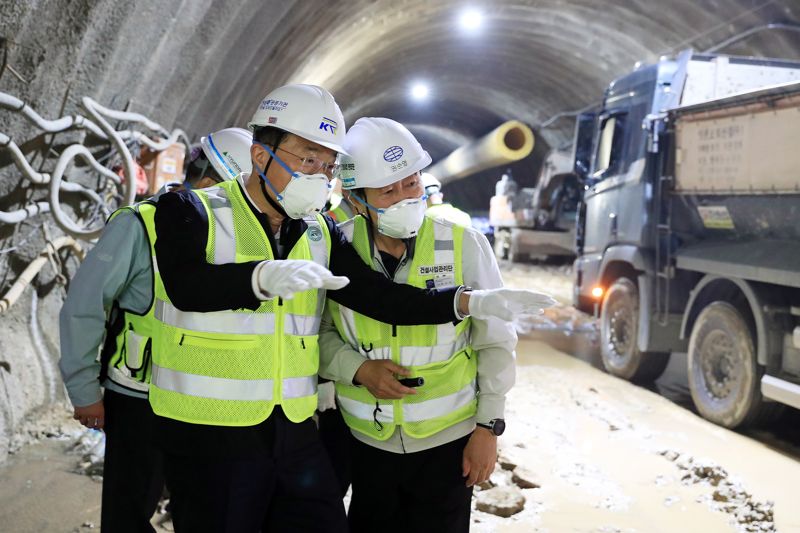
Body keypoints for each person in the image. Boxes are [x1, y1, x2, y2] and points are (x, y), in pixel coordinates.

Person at [148, 84, 550, 532]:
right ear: (261, 156)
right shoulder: (189, 209)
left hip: (293, 428)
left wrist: (469, 300)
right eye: (308, 161)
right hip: (210, 431)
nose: (319, 176)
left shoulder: (318, 231)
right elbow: (186, 286)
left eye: (327, 166)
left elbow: (382, 298)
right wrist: (258, 279)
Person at [320, 117, 554, 533]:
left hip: (448, 442)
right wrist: (357, 369)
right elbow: (318, 333)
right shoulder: (336, 249)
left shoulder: (463, 244)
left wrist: (488, 428)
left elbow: (495, 341)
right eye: (388, 191)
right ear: (357, 199)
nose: (404, 198)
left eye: (411, 183)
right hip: (367, 440)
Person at [58, 127, 253, 533]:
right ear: (208, 182)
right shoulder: (140, 225)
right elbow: (84, 306)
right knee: (128, 514)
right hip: (141, 402)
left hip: (206, 403)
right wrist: (84, 390)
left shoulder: (238, 237)